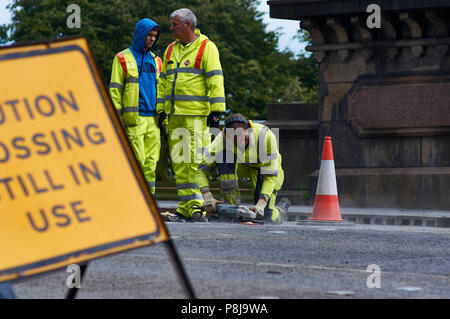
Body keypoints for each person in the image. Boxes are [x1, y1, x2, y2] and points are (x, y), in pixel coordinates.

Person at [157, 8, 226, 221]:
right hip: (175, 116)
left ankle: (197, 206)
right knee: (179, 164)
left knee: (195, 163)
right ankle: (187, 207)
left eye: (175, 24)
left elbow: (215, 79)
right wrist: (161, 109)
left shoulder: (207, 47)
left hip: (197, 117)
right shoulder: (170, 49)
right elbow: (163, 82)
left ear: (188, 25)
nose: (171, 28)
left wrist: (217, 111)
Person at [196, 114, 290, 224]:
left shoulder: (266, 137)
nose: (241, 143)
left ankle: (280, 211)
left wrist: (262, 202)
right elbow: (201, 170)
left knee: (265, 217)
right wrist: (207, 196)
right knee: (223, 156)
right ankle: (231, 207)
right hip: (244, 166)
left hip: (266, 171)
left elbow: (270, 177)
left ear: (248, 130)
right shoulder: (223, 138)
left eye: (244, 139)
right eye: (235, 140)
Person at [109, 18, 162, 194]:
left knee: (151, 164)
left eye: (155, 36)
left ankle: (148, 200)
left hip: (154, 121)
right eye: (149, 35)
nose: (152, 39)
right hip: (133, 120)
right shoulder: (122, 58)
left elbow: (162, 90)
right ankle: (130, 197)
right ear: (141, 35)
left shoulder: (157, 61)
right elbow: (115, 91)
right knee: (136, 161)